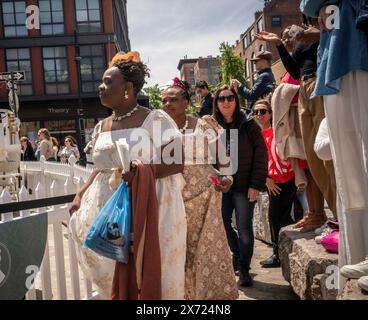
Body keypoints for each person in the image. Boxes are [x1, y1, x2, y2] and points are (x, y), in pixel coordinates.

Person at [68, 52, 187, 300]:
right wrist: (81, 193)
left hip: (149, 206)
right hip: (109, 214)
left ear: (128, 88)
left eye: (108, 81)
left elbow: (177, 162)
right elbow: (100, 168)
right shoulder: (102, 126)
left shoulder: (155, 119)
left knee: (150, 272)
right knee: (112, 276)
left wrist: (142, 172)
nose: (101, 87)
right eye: (102, 81)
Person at [301, 0, 368, 293]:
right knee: (351, 169)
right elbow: (309, 4)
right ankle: (363, 252)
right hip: (336, 62)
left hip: (357, 51)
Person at [255, 21, 337, 231]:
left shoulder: (321, 29)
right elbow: (294, 69)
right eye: (283, 37)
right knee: (310, 160)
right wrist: (279, 46)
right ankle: (318, 214)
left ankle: (339, 215)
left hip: (322, 85)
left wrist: (318, 33)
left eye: (288, 35)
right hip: (304, 89)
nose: (287, 38)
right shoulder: (299, 44)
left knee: (327, 156)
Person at [162, 78, 238, 300]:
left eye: (173, 99)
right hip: (173, 197)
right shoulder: (157, 129)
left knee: (207, 248)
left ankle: (210, 297)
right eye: (164, 100)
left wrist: (227, 180)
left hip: (206, 195)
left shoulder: (204, 125)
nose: (167, 104)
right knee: (180, 248)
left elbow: (223, 160)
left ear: (186, 101)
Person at [213, 85, 268, 287]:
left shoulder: (249, 125)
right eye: (221, 99)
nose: (226, 102)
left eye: (230, 98)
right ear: (216, 103)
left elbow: (261, 157)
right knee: (223, 224)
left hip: (245, 186)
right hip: (222, 187)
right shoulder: (211, 127)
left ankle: (244, 267)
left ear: (236, 101)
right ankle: (237, 254)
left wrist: (256, 184)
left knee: (244, 228)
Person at [253, 100, 297, 268]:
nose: (259, 115)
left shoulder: (276, 132)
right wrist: (266, 178)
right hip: (273, 181)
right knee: (277, 217)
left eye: (263, 111)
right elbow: (257, 160)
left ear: (270, 114)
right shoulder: (256, 135)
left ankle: (279, 254)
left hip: (287, 178)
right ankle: (281, 253)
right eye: (256, 112)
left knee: (279, 217)